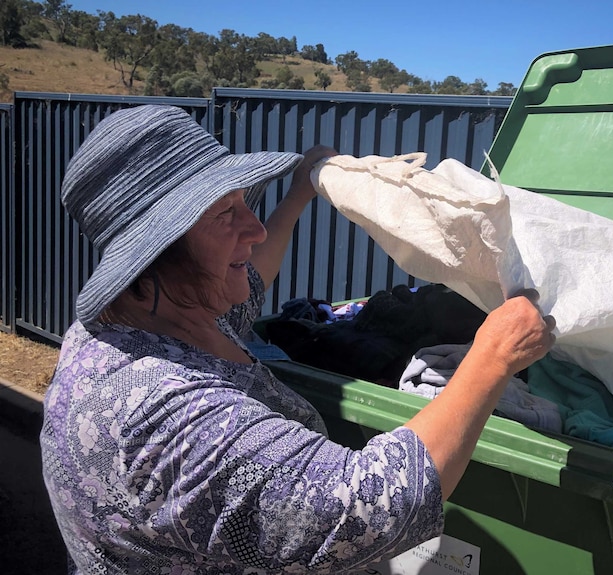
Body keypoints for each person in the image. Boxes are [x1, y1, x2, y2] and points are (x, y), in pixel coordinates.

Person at [40, 104, 555, 574]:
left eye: (245, 201)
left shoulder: (143, 321)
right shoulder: (162, 414)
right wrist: (493, 354)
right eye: (225, 213)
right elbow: (364, 511)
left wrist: (299, 195)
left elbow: (248, 281)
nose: (254, 228)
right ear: (157, 253)